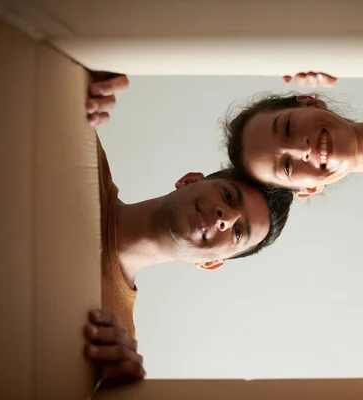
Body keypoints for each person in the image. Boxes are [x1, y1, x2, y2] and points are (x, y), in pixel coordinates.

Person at [82, 73, 294, 382]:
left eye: (238, 233)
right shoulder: (82, 147)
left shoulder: (115, 339)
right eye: (228, 196)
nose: (226, 218)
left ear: (209, 263)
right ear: (190, 180)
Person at [224, 72, 363, 319]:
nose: (302, 148)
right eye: (287, 166)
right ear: (309, 189)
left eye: (288, 128)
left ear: (310, 102)